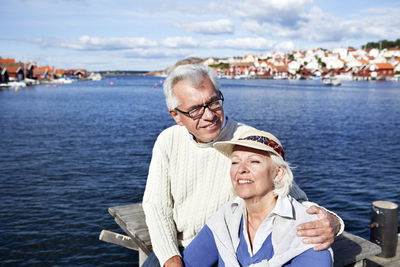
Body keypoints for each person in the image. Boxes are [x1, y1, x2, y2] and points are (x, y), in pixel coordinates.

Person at [142, 64, 343, 267]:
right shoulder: (168, 141)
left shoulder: (247, 142)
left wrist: (333, 222)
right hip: (179, 249)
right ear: (176, 116)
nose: (209, 115)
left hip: (227, 247)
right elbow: (157, 207)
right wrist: (170, 257)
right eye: (195, 110)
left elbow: (290, 196)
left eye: (213, 102)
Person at [182, 130, 333, 266]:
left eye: (254, 161)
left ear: (278, 173)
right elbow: (188, 263)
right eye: (235, 162)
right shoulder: (225, 219)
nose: (241, 169)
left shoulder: (308, 230)